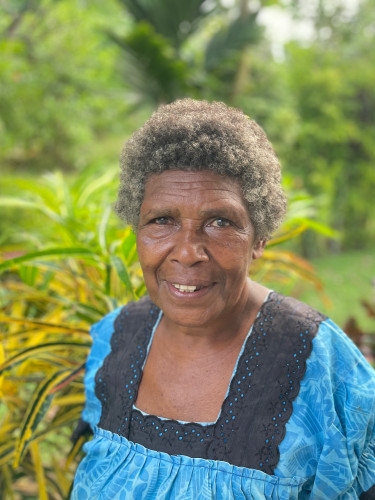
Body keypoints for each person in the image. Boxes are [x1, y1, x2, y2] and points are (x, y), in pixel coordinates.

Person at [71, 99, 375, 499]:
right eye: (162, 220)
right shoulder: (115, 339)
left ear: (260, 237)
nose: (187, 252)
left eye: (220, 222)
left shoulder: (320, 363)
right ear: (137, 229)